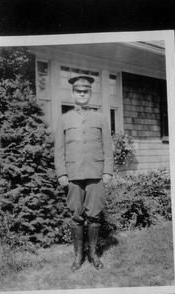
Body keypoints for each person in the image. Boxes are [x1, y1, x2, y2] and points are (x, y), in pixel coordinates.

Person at [54, 75, 113, 271]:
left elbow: (107, 146)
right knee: (76, 215)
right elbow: (59, 149)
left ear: (90, 94)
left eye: (85, 91)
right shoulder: (64, 119)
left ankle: (93, 253)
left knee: (94, 215)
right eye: (78, 91)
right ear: (72, 94)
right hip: (72, 174)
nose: (82, 94)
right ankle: (79, 255)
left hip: (96, 173)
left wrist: (108, 171)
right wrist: (61, 172)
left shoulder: (100, 118)